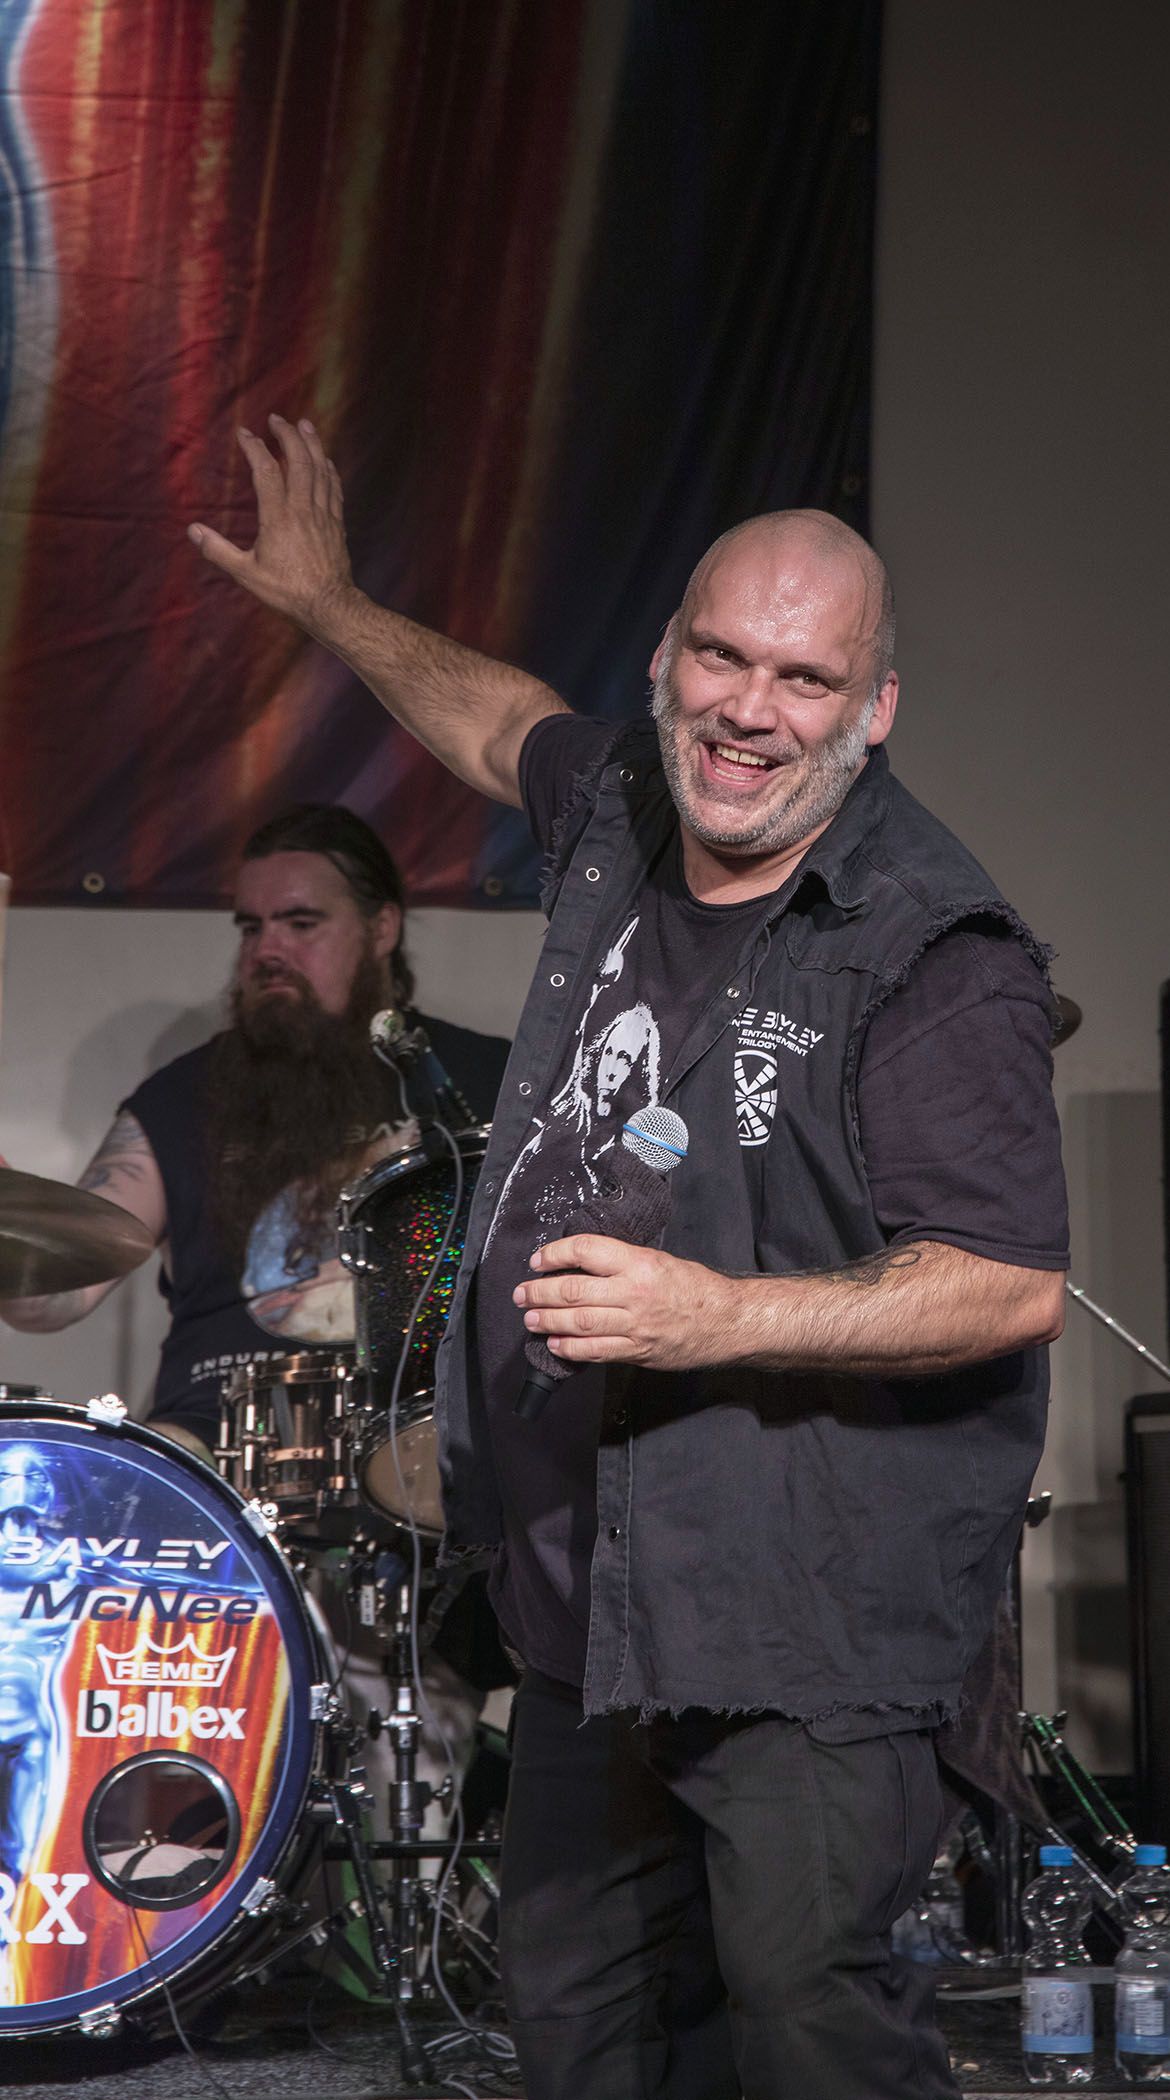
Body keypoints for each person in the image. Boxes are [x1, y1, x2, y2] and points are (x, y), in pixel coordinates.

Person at [188, 416, 1069, 2100]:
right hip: (591, 1599)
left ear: (875, 709)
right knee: (578, 2025)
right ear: (667, 656)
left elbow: (1008, 1281)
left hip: (803, 1621)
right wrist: (328, 604)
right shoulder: (626, 800)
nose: (751, 710)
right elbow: (493, 715)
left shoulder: (932, 949)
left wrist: (714, 1315)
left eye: (807, 679)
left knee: (807, 2027)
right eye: (723, 657)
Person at [0, 803, 511, 1457]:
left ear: (382, 927)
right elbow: (51, 1299)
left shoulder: (489, 1080)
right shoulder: (181, 1097)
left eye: (301, 923)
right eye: (251, 927)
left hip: (420, 1449)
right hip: (214, 1453)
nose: (267, 950)